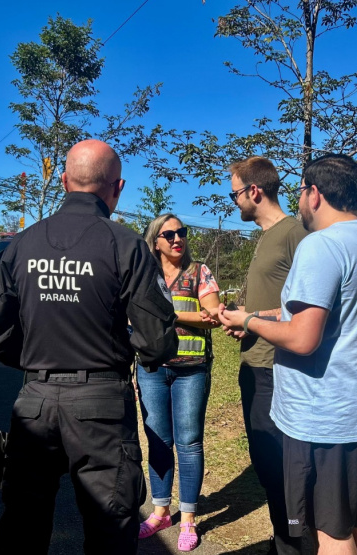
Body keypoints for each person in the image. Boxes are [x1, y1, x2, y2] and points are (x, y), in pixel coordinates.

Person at [0, 139, 178, 555]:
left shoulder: (21, 244)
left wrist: (39, 357)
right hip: (101, 406)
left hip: (35, 400)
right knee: (110, 528)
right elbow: (157, 342)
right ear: (118, 187)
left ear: (64, 180)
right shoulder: (126, 245)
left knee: (21, 525)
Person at [219, 154, 357, 555]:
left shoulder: (321, 245)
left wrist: (249, 324)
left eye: (301, 191)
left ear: (315, 194)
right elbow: (317, 313)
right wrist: (255, 314)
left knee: (330, 532)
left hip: (328, 418)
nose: (299, 200)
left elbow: (302, 338)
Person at [221, 156, 309, 555]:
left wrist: (251, 318)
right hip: (254, 364)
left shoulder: (296, 233)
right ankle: (283, 539)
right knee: (265, 461)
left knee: (280, 465)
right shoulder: (266, 236)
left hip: (279, 370)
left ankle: (293, 544)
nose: (234, 201)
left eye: (235, 192)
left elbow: (309, 308)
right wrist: (246, 322)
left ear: (254, 191)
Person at [136, 213, 221, 552]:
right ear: (155, 240)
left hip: (191, 370)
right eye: (168, 234)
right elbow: (130, 312)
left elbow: (212, 315)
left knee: (188, 443)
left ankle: (187, 517)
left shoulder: (199, 272)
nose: (177, 239)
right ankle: (160, 512)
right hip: (152, 368)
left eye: (181, 232)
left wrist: (165, 313)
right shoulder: (144, 273)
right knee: (157, 441)